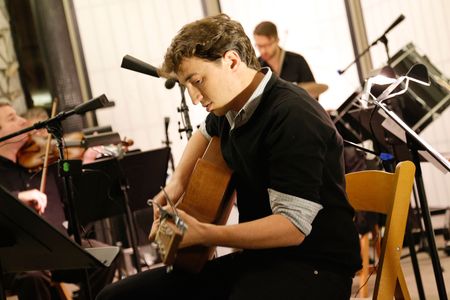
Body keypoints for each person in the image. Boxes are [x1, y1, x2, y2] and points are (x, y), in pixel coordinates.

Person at [96, 14, 361, 300]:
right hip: (260, 261)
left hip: (315, 268)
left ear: (232, 61)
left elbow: (292, 227)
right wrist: (175, 185)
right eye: (188, 86)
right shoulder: (229, 109)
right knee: (116, 297)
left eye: (198, 81)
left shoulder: (292, 115)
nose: (195, 98)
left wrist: (206, 234)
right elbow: (204, 133)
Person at [0, 100, 119, 300]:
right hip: (20, 258)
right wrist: (18, 197)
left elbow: (75, 201)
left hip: (60, 247)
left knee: (107, 256)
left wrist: (85, 165)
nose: (23, 121)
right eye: (13, 118)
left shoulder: (43, 162)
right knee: (33, 278)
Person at [253, 20, 315, 84]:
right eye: (259, 46)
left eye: (267, 45)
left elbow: (313, 91)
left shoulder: (298, 61)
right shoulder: (256, 67)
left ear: (277, 40)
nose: (263, 50)